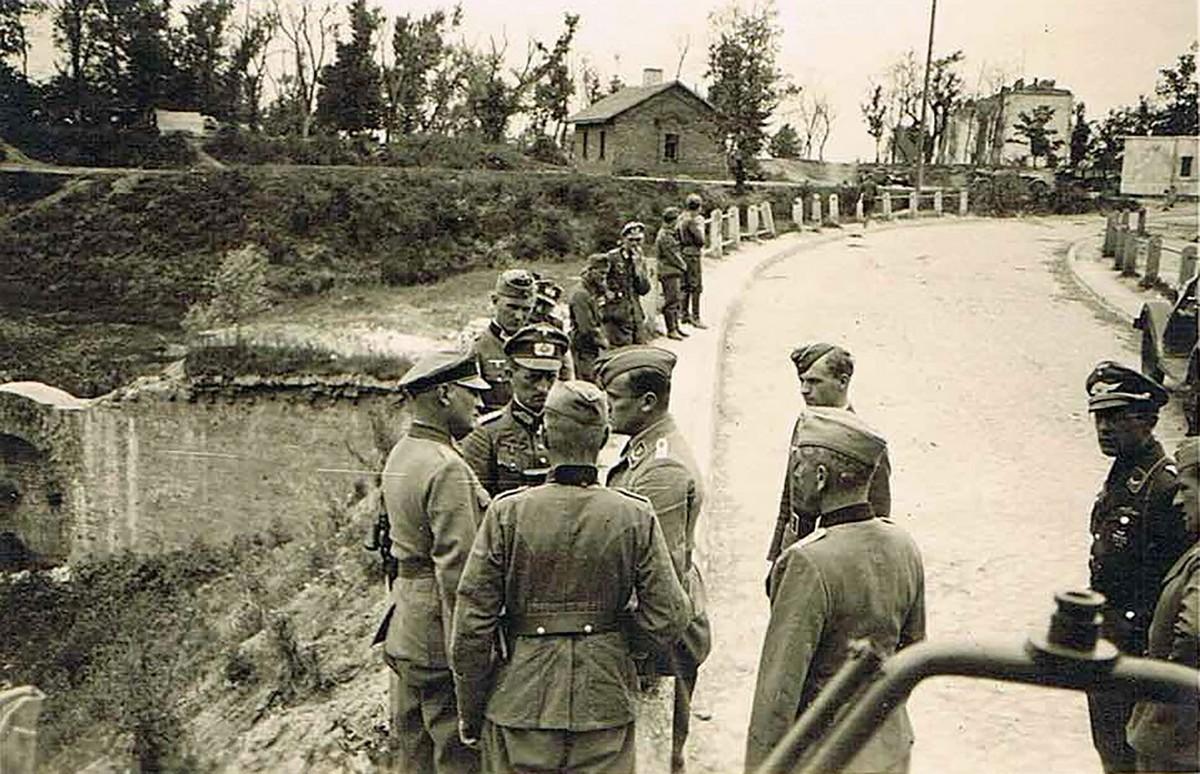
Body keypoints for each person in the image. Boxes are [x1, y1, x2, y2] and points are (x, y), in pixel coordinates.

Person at [450, 380, 693, 774]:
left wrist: (471, 710)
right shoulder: (635, 514)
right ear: (603, 437)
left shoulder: (506, 514)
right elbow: (671, 613)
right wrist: (617, 643)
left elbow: (471, 628)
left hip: (519, 703)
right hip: (604, 703)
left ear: (544, 437)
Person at [745, 407, 925, 774]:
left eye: (799, 467)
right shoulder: (904, 542)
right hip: (889, 742)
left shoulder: (808, 561)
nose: (794, 477)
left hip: (826, 751)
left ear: (822, 476)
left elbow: (778, 693)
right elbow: (914, 648)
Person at [374, 350, 492, 774]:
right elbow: (459, 575)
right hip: (438, 633)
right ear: (444, 394)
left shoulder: (404, 452)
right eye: (470, 393)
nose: (480, 402)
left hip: (405, 619)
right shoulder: (447, 468)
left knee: (413, 749)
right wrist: (472, 659)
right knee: (456, 751)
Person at [598, 346, 711, 772]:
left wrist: (640, 649)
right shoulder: (647, 451)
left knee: (662, 755)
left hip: (665, 642)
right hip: (665, 633)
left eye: (616, 400)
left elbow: (658, 575)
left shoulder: (660, 469)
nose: (609, 408)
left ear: (647, 403)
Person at [1084, 361, 1190, 773]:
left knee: (1130, 759)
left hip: (1139, 650)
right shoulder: (1125, 474)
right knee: (1111, 752)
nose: (1104, 428)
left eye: (1115, 416)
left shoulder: (1164, 486)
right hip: (1110, 639)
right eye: (1099, 417)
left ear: (1147, 419)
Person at [768, 343, 892, 562]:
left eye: (814, 381)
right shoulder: (804, 425)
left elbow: (877, 520)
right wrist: (777, 555)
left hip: (836, 561)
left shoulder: (862, 443)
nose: (804, 389)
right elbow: (790, 496)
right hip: (796, 548)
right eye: (802, 381)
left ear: (842, 381)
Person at [1126, 435, 1199, 772]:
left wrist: (1162, 700)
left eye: (1186, 490)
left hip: (1175, 739)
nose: (1178, 501)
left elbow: (1193, 637)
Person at [460, 324, 569, 497]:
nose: (543, 388)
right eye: (532, 378)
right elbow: (475, 501)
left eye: (551, 378)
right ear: (510, 375)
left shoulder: (569, 428)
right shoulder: (486, 433)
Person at [472, 269, 538, 413]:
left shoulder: (539, 344)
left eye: (526, 309)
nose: (519, 316)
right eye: (512, 307)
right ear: (495, 301)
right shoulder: (477, 346)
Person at [598, 222, 652, 347]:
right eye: (631, 240)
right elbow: (599, 279)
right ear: (623, 239)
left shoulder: (640, 259)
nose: (635, 244)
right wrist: (607, 293)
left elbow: (644, 290)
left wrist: (639, 269)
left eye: (638, 240)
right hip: (616, 312)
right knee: (621, 350)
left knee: (639, 348)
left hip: (635, 312)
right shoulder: (612, 257)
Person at [567, 259, 612, 384]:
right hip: (584, 345)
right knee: (587, 384)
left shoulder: (593, 290)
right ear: (591, 270)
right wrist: (604, 343)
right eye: (601, 273)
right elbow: (585, 327)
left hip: (592, 345)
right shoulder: (580, 294)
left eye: (606, 274)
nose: (604, 277)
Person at [528, 277, 576, 380]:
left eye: (547, 306)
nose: (540, 309)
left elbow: (566, 360)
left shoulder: (556, 325)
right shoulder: (520, 322)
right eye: (538, 302)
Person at [655, 207, 689, 341]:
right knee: (671, 300)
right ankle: (671, 329)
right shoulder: (665, 236)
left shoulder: (669, 233)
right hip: (668, 271)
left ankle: (676, 326)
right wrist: (683, 266)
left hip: (673, 271)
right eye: (677, 219)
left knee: (676, 299)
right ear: (672, 221)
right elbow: (673, 256)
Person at [677, 193, 707, 329]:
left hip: (683, 252)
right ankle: (695, 317)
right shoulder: (691, 221)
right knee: (696, 286)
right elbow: (700, 240)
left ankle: (684, 314)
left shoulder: (681, 218)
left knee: (685, 285)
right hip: (693, 254)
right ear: (698, 207)